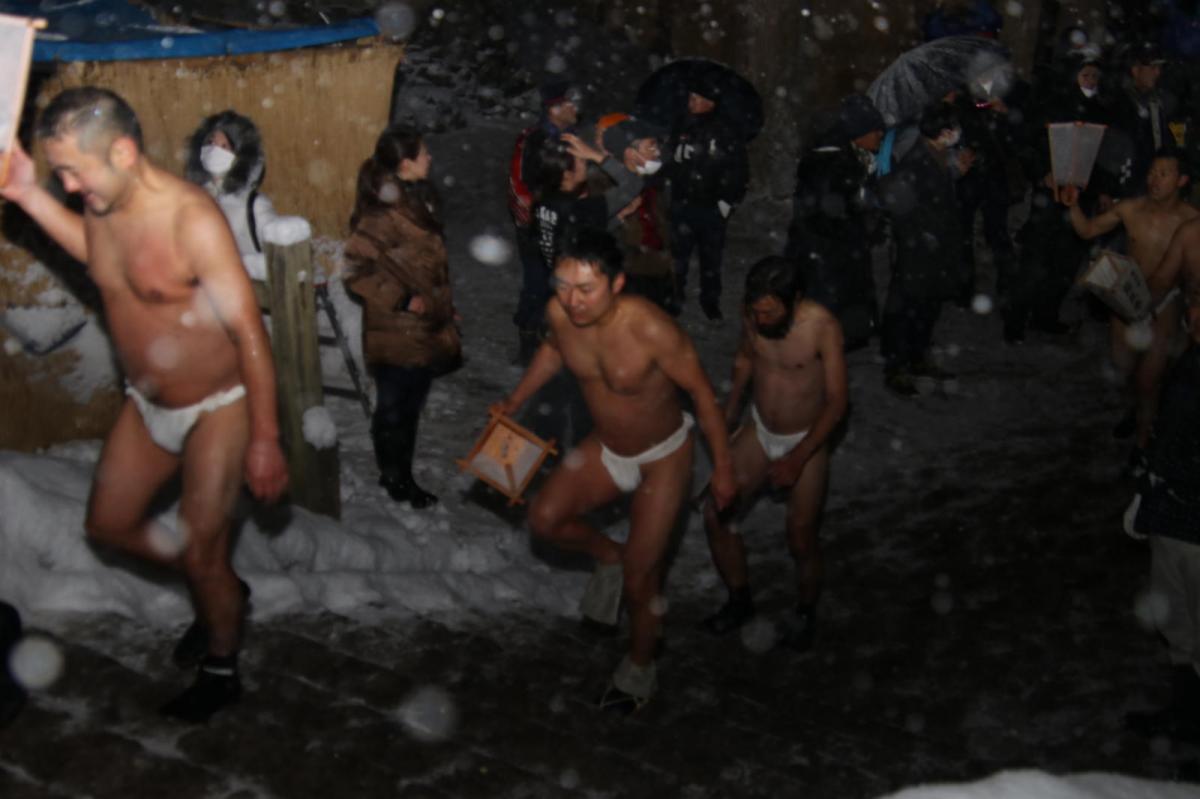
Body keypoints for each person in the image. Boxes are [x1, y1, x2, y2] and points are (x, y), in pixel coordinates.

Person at [0, 87, 288, 722]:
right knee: (108, 525)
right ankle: (219, 586)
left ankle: (221, 666)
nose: (69, 186)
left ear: (124, 151)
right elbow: (96, 254)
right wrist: (23, 192)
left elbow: (249, 332)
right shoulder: (104, 205)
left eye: (75, 169)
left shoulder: (192, 220)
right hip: (147, 400)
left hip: (221, 405)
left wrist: (266, 436)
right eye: (60, 172)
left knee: (203, 546)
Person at [493, 227, 736, 713]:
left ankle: (638, 670)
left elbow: (705, 397)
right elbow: (553, 350)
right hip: (606, 447)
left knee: (643, 579)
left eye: (586, 289)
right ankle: (609, 554)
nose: (572, 300)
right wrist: (514, 400)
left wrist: (724, 470)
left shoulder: (652, 329)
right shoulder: (560, 314)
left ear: (617, 284)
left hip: (663, 456)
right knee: (545, 520)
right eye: (562, 286)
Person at [700, 257, 847, 651]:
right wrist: (729, 412)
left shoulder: (822, 327)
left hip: (806, 440)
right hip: (761, 430)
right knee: (716, 513)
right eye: (756, 310)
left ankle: (805, 612)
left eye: (770, 311)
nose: (760, 318)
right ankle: (739, 599)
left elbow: (837, 403)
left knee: (800, 537)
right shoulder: (753, 314)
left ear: (795, 299)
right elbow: (746, 358)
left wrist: (798, 458)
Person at [344, 125, 461, 509]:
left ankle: (398, 474)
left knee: (407, 409)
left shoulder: (416, 199)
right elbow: (355, 271)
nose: (430, 158)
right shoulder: (383, 213)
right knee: (396, 411)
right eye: (423, 153)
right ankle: (396, 479)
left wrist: (443, 307)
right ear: (406, 163)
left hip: (420, 329)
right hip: (396, 332)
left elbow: (424, 266)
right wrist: (403, 300)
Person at [1061, 149, 1197, 468]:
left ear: (1182, 180)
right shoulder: (1132, 208)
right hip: (1126, 299)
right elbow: (1088, 230)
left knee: (1149, 379)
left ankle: (1143, 440)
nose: (1155, 179)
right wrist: (1073, 205)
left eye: (1164, 173)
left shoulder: (1191, 222)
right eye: (1152, 172)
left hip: (1164, 305)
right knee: (1124, 369)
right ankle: (1135, 410)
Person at [1007, 50, 1117, 342]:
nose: (1091, 81)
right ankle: (1015, 321)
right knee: (1035, 261)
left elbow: (1106, 157)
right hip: (1049, 199)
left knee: (1065, 264)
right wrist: (1042, 172)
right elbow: (1028, 145)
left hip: (1081, 199)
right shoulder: (1052, 107)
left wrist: (1104, 188)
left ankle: (1046, 315)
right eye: (1086, 75)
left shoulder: (1102, 111)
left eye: (1095, 76)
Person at [1126, 314, 1200, 742]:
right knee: (1178, 626)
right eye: (1193, 299)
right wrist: (1148, 494)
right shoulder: (1190, 361)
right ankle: (1187, 717)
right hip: (1171, 515)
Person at [878, 103, 972, 395]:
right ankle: (897, 367)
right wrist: (923, 239)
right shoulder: (916, 163)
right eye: (953, 129)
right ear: (943, 132)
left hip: (936, 249)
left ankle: (917, 357)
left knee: (927, 307)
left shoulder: (939, 155)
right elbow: (901, 208)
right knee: (907, 309)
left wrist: (958, 171)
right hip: (918, 251)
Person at [784, 93, 885, 350]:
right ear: (858, 131)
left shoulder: (849, 158)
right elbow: (824, 215)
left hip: (835, 250)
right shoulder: (831, 165)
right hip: (825, 253)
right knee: (827, 303)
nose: (880, 137)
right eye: (875, 131)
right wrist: (858, 227)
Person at [665, 82, 750, 320]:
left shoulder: (726, 129)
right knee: (678, 256)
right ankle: (675, 297)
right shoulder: (682, 123)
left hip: (711, 205)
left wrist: (727, 201)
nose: (691, 102)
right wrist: (676, 156)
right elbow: (667, 159)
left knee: (711, 259)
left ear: (710, 102)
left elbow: (738, 168)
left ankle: (710, 301)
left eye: (696, 98)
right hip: (683, 203)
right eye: (690, 97)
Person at [510, 81, 580, 363]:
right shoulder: (536, 141)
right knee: (538, 284)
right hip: (540, 225)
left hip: (560, 223)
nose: (576, 109)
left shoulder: (570, 139)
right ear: (555, 109)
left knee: (555, 284)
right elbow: (525, 183)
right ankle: (529, 342)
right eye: (570, 104)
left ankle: (548, 340)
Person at [183, 110, 280, 268]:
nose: (215, 150)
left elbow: (279, 261)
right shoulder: (196, 200)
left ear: (240, 155)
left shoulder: (255, 205)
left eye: (224, 146)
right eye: (211, 143)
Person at [1110, 42, 1178, 199]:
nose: (1157, 73)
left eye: (1159, 68)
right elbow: (1111, 149)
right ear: (1135, 70)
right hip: (1123, 182)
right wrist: (1107, 186)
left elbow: (1166, 142)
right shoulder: (1118, 103)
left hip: (1150, 182)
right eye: (1153, 68)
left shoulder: (1160, 103)